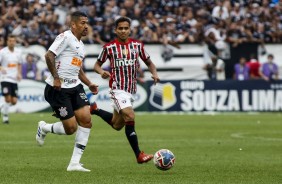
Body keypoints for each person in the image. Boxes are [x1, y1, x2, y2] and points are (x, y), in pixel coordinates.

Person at [90, 16, 160, 164]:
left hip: (131, 91)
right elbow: (96, 65)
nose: (123, 31)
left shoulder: (137, 46)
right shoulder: (109, 48)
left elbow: (149, 62)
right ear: (115, 30)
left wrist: (154, 73)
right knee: (130, 115)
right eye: (120, 28)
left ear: (130, 30)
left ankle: (95, 109)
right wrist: (101, 72)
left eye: (125, 28)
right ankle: (139, 155)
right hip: (117, 89)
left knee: (117, 125)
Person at [35, 11, 98, 172]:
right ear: (73, 25)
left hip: (75, 87)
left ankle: (74, 164)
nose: (86, 26)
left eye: (87, 23)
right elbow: (49, 55)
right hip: (58, 89)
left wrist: (89, 83)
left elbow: (77, 69)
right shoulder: (65, 37)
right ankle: (44, 128)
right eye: (83, 23)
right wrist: (56, 77)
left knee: (86, 120)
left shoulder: (81, 45)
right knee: (71, 129)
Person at [0, 34, 22, 124]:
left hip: (14, 79)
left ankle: (2, 107)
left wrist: (19, 73)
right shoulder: (2, 52)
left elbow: (19, 64)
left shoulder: (18, 52)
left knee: (14, 102)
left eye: (13, 41)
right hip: (4, 78)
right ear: (7, 42)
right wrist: (1, 68)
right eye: (10, 41)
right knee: (8, 99)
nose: (12, 42)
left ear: (15, 42)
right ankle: (5, 118)